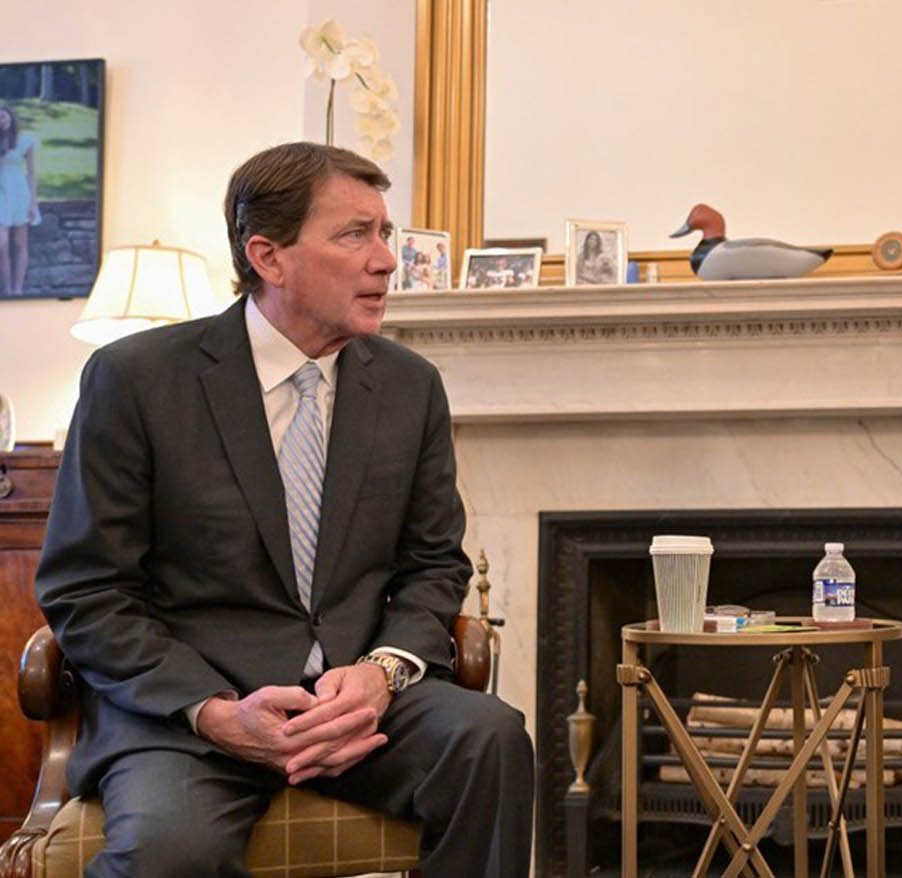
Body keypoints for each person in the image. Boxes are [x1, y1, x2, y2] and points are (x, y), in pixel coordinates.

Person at [34, 141, 534, 876]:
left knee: (491, 738)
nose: (386, 259)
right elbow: (89, 592)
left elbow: (433, 564)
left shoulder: (409, 386)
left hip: (357, 705)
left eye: (385, 233)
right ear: (268, 257)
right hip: (190, 720)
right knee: (172, 853)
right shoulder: (136, 381)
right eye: (354, 234)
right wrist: (213, 710)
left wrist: (380, 675)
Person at [0, 104, 40, 296]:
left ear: (11, 119)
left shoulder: (25, 141)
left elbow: (31, 174)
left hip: (19, 192)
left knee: (19, 244)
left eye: (3, 117)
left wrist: (32, 202)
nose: (1, 121)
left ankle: (17, 290)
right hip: (1, 194)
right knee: (2, 244)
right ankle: (7, 290)